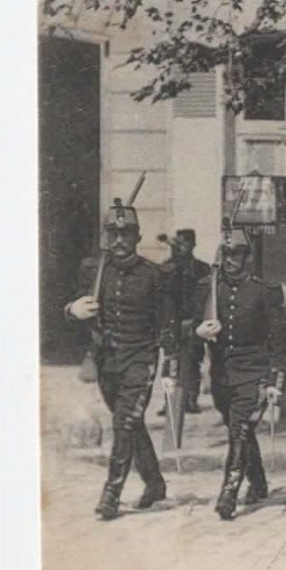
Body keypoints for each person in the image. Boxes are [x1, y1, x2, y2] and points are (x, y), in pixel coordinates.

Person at [64, 196, 176, 520]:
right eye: (113, 234)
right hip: (107, 362)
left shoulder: (153, 275)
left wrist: (171, 366)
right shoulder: (93, 271)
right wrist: (74, 310)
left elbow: (168, 322)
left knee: (123, 423)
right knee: (131, 424)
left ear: (137, 238)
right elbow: (69, 308)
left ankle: (111, 494)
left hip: (140, 360)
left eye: (126, 235)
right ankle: (154, 483)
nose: (119, 241)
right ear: (106, 238)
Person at [195, 228, 286, 520]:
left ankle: (229, 493)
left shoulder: (264, 291)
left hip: (254, 372)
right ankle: (258, 482)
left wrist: (275, 379)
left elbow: (278, 339)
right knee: (241, 430)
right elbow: (191, 326)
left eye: (237, 254)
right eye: (226, 253)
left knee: (240, 430)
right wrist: (199, 331)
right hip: (223, 373)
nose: (231, 260)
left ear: (247, 257)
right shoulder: (210, 288)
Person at [160, 229, 211, 415]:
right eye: (178, 242)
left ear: (193, 244)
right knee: (170, 362)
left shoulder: (201, 268)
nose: (181, 246)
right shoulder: (167, 267)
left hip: (193, 321)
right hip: (172, 322)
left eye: (185, 243)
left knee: (192, 361)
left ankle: (190, 399)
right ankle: (169, 401)